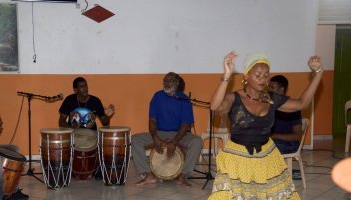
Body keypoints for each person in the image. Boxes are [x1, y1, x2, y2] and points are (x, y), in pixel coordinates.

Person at [208, 51, 323, 199]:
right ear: (247, 76)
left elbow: (301, 103)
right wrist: (226, 76)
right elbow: (215, 106)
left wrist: (318, 73)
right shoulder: (234, 98)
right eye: (257, 75)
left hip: (266, 156)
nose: (263, 79)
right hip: (237, 158)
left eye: (266, 75)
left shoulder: (272, 99)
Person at [131, 72, 203, 187]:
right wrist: (155, 137)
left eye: (169, 80)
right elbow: (152, 120)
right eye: (164, 80)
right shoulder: (157, 96)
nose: (165, 83)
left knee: (197, 141)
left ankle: (182, 175)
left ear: (177, 83)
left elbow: (185, 125)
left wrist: (174, 142)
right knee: (135, 139)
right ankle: (148, 175)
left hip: (180, 134)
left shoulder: (184, 99)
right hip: (160, 132)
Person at [269, 75, 303, 154]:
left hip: (289, 144)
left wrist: (273, 136)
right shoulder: (268, 104)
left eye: (272, 87)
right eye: (269, 87)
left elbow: (297, 136)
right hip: (271, 141)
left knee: (266, 147)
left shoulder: (292, 107)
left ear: (281, 89)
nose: (269, 90)